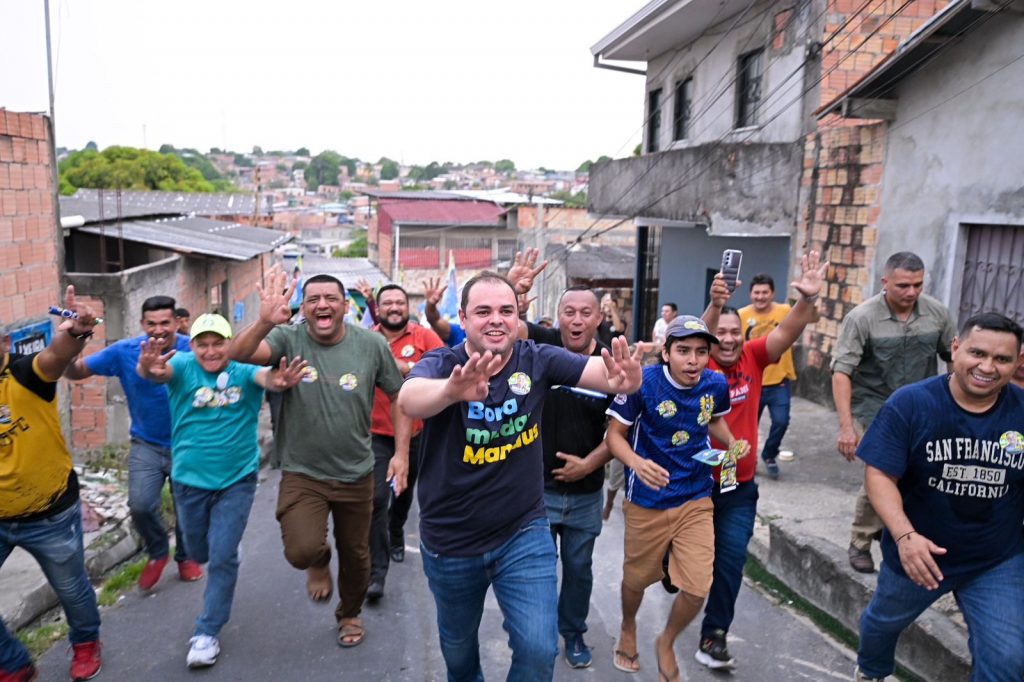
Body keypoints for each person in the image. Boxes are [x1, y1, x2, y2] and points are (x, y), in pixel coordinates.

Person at [397, 271, 644, 682]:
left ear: (518, 317)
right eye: (483, 311)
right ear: (463, 317)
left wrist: (624, 380)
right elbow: (409, 399)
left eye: (506, 311)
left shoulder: (537, 358)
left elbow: (600, 375)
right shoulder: (444, 363)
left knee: (538, 648)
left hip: (522, 531)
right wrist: (450, 393)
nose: (496, 319)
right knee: (458, 655)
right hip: (451, 540)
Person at [228, 268, 409, 648]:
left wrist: (401, 454)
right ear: (303, 308)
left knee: (358, 558)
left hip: (356, 472)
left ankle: (350, 613)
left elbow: (398, 397)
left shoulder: (371, 346)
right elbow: (239, 354)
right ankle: (318, 562)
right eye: (313, 300)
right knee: (301, 550)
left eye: (330, 299)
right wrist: (262, 321)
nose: (322, 305)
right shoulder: (286, 338)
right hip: (302, 471)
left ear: (346, 306)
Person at [854, 313, 1024, 682]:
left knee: (1009, 660)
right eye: (977, 353)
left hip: (995, 559)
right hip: (921, 553)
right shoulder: (912, 403)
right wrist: (904, 537)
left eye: (1002, 359)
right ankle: (870, 672)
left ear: (1017, 363)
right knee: (881, 625)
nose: (987, 367)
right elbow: (880, 473)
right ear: (956, 348)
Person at [137, 313, 307, 669]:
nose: (211, 351)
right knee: (199, 553)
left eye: (219, 343)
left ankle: (206, 632)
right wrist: (148, 369)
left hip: (237, 481)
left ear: (230, 345)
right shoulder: (182, 365)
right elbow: (157, 373)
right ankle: (221, 549)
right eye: (203, 344)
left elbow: (268, 379)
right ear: (192, 345)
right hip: (189, 482)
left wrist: (279, 381)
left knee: (223, 555)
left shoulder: (244, 370)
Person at [695, 250, 827, 670]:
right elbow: (698, 334)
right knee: (687, 566)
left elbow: (789, 329)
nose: (730, 339)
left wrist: (805, 300)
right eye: (723, 333)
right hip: (692, 484)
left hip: (739, 485)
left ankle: (713, 636)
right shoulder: (697, 362)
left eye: (737, 331)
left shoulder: (754, 355)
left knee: (731, 562)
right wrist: (716, 306)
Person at [606, 315, 748, 680]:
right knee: (636, 580)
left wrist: (731, 443)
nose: (693, 360)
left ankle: (666, 640)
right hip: (647, 499)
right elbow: (614, 437)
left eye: (701, 352)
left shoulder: (715, 383)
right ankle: (627, 625)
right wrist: (638, 464)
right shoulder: (643, 382)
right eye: (683, 351)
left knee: (700, 585)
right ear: (666, 353)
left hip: (696, 495)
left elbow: (713, 419)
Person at [63, 295, 202, 589]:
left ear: (177, 322)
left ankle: (186, 557)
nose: (159, 330)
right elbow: (75, 372)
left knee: (187, 508)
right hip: (146, 444)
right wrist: (72, 338)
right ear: (142, 324)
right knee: (139, 505)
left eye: (166, 323)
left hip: (188, 445)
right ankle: (158, 550)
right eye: (151, 324)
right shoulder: (124, 352)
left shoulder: (194, 350)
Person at [0, 286, 103, 682]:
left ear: (6, 343)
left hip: (50, 512)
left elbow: (56, 355)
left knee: (72, 590)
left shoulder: (25, 373)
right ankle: (13, 662)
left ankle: (86, 641)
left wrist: (75, 333)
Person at [832, 252, 956, 574]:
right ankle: (860, 541)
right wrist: (846, 427)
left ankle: (898, 531)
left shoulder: (937, 314)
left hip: (922, 406)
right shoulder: (862, 318)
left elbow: (954, 360)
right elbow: (842, 372)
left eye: (917, 285)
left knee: (919, 472)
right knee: (886, 472)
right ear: (885, 282)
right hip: (874, 406)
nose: (911, 292)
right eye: (903, 285)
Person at [518, 285, 615, 668]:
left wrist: (589, 464)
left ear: (598, 318)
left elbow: (620, 429)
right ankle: (536, 633)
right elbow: (511, 327)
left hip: (586, 493)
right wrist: (516, 291)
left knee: (578, 569)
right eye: (568, 312)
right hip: (534, 491)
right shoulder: (541, 343)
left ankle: (573, 632)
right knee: (535, 570)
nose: (576, 320)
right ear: (557, 315)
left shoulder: (610, 358)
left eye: (585, 313)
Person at [366, 284, 443, 600]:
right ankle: (376, 574)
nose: (394, 307)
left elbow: (445, 368)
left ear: (407, 307)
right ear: (379, 308)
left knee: (404, 492)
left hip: (418, 433)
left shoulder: (423, 337)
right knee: (376, 498)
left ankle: (396, 532)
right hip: (375, 436)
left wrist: (408, 367)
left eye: (400, 302)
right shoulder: (367, 340)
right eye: (388, 303)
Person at [739, 274, 796, 479]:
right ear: (750, 294)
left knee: (781, 422)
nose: (760, 296)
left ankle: (769, 454)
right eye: (756, 292)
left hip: (779, 380)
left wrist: (810, 300)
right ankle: (747, 459)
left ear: (772, 293)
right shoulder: (741, 315)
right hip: (750, 381)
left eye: (765, 292)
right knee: (747, 427)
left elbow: (808, 317)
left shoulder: (785, 311)